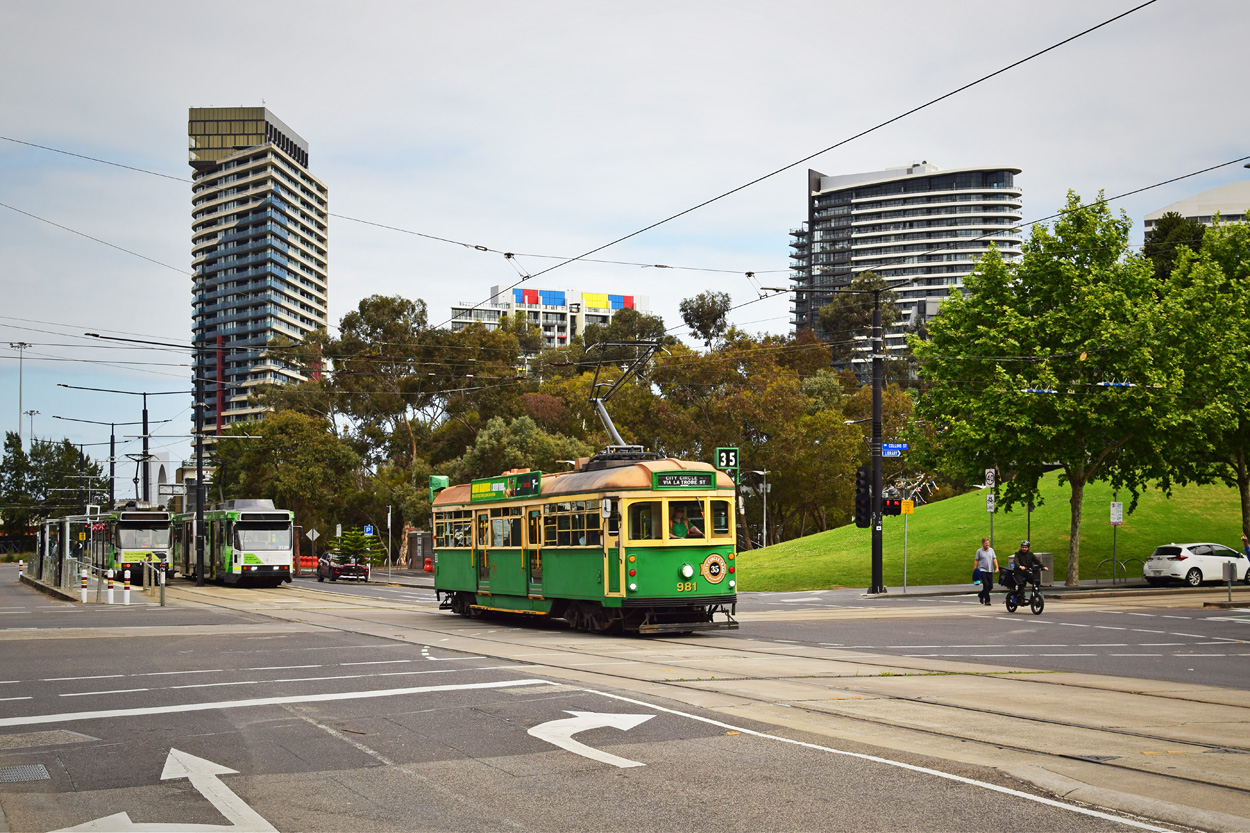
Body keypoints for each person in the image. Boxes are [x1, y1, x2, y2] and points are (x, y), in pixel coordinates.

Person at [973, 537, 998, 605]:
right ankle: (987, 601)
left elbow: (994, 559)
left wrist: (997, 567)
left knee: (990, 586)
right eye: (985, 543)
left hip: (990, 570)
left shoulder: (991, 550)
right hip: (982, 570)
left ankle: (981, 595)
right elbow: (976, 560)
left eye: (988, 543)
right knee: (986, 585)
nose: (987, 544)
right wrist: (975, 569)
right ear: (982, 544)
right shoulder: (979, 551)